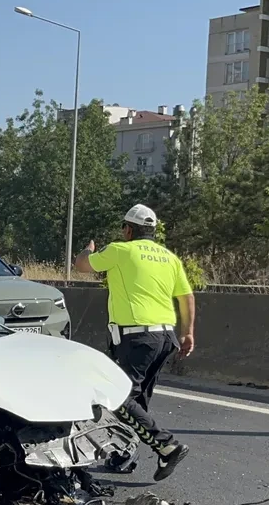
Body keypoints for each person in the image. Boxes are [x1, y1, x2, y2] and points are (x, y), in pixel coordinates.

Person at [75, 203, 195, 482]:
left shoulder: (120, 250)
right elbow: (187, 297)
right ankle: (124, 454)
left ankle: (167, 445)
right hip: (166, 337)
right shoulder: (169, 258)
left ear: (128, 229)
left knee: (117, 396)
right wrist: (188, 333)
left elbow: (81, 266)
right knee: (138, 401)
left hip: (137, 337)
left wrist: (89, 250)